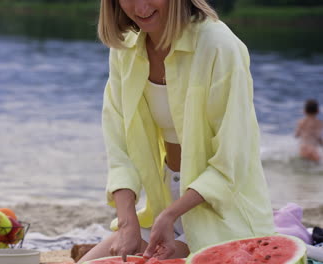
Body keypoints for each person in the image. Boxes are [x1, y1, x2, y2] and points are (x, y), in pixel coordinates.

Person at [78, 0, 275, 262]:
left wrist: (171, 215)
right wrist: (127, 222)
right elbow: (119, 147)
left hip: (221, 212)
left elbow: (231, 162)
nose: (140, 6)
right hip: (164, 206)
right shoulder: (125, 47)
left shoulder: (219, 45)